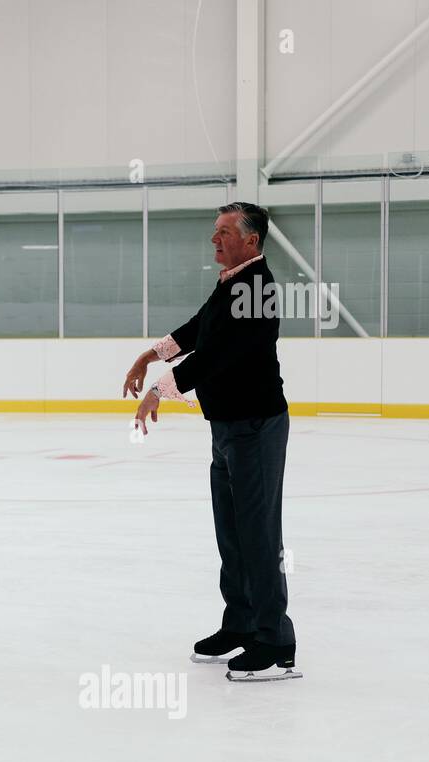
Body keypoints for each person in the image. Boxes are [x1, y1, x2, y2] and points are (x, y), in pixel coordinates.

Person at [121, 201, 300, 682]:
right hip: (228, 429)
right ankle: (241, 623)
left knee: (259, 535)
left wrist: (160, 389)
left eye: (223, 232)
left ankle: (275, 638)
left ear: (252, 241)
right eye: (214, 231)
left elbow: (219, 354)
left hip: (256, 427)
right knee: (233, 533)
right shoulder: (232, 285)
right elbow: (200, 329)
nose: (214, 239)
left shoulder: (256, 289)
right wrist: (150, 355)